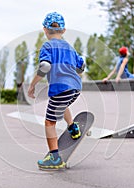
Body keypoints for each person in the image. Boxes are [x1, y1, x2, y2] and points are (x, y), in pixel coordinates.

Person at [28, 12, 85, 170]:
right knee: (62, 104)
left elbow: (45, 66)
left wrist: (32, 85)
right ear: (64, 30)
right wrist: (73, 75)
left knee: (49, 122)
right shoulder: (70, 47)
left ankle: (54, 157)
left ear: (45, 30)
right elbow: (82, 65)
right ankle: (73, 128)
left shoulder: (47, 46)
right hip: (75, 88)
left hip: (60, 89)